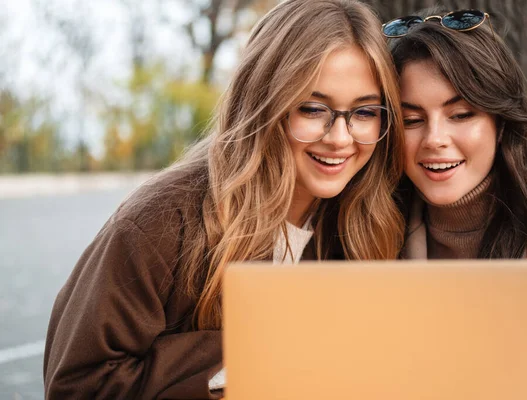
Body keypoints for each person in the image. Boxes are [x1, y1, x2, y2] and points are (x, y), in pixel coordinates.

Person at [43, 0, 405, 398]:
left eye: (365, 112)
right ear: (264, 101)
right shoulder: (159, 222)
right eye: (313, 108)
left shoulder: (364, 222)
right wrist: (246, 351)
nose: (340, 137)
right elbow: (76, 386)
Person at [384, 8, 527, 398]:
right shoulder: (377, 229)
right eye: (412, 120)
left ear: (501, 122)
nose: (435, 138)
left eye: (461, 114)